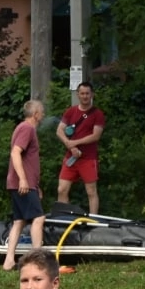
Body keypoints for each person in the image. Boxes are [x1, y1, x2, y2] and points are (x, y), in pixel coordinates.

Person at [4, 99, 47, 271]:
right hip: (22, 183)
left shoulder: (23, 128)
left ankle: (8, 261)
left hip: (25, 183)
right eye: (41, 112)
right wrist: (23, 179)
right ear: (36, 114)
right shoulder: (27, 128)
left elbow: (27, 160)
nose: (43, 115)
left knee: (19, 221)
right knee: (39, 218)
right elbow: (15, 153)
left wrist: (35, 184)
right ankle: (37, 260)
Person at [56, 81, 106, 215]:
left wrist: (75, 143)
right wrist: (69, 144)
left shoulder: (97, 114)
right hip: (70, 157)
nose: (85, 96)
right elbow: (59, 130)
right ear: (78, 95)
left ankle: (94, 220)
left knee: (91, 191)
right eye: (82, 93)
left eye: (87, 94)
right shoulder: (71, 111)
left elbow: (96, 136)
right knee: (62, 189)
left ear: (92, 95)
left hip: (88, 158)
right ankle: (62, 217)